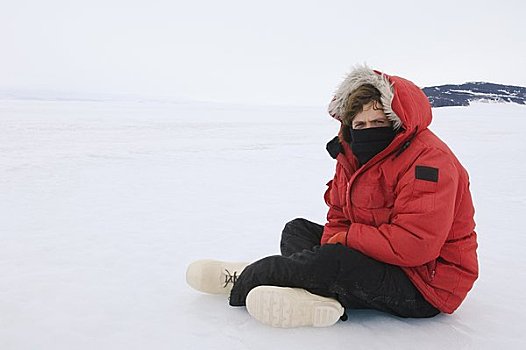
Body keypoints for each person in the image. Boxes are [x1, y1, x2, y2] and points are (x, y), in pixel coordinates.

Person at [186, 65, 479, 328]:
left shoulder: (429, 162)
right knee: (297, 229)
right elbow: (339, 217)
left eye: (377, 123)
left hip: (426, 284)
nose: (367, 131)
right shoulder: (353, 155)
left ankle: (256, 276)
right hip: (380, 257)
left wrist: (346, 240)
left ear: (397, 121)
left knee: (334, 258)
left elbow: (416, 245)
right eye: (360, 125)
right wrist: (339, 238)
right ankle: (315, 296)